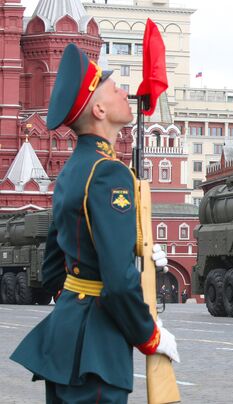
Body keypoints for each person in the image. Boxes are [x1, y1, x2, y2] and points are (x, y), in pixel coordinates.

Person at [10, 43, 179, 403]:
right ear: (99, 109)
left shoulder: (73, 170)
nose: (122, 90)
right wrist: (149, 334)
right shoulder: (109, 174)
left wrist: (137, 248)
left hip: (67, 339)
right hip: (97, 351)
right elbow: (117, 281)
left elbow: (56, 268)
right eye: (112, 87)